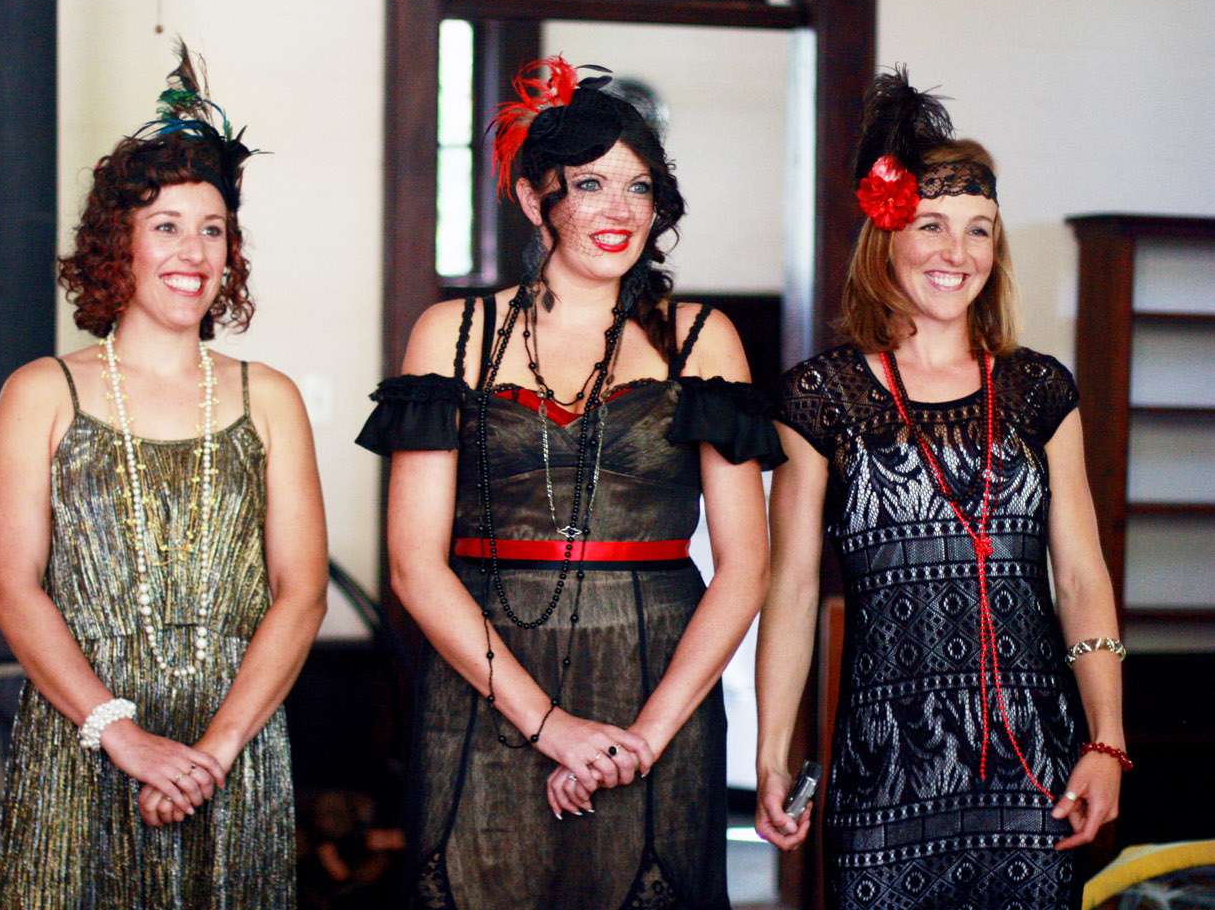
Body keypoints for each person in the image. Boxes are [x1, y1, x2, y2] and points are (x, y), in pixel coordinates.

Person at [357, 56, 785, 909]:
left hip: (655, 683)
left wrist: (645, 737)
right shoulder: (452, 333)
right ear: (533, 198)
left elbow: (746, 566)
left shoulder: (703, 337)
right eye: (590, 184)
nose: (618, 209)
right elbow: (413, 565)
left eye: (638, 186)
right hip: (487, 679)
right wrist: (549, 726)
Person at [754, 69, 1128, 909]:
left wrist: (1106, 740)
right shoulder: (820, 396)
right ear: (886, 238)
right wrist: (773, 753)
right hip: (884, 766)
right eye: (932, 225)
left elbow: (1080, 577)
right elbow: (792, 589)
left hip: (1035, 762)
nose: (957, 254)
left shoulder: (1040, 389)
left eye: (979, 231)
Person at [0, 42, 327, 907]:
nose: (193, 250)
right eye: (167, 225)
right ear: (119, 244)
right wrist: (125, 738)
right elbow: (10, 588)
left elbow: (303, 594)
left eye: (212, 229)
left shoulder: (270, 397)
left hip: (236, 750)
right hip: (84, 742)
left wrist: (212, 754)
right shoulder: (40, 392)